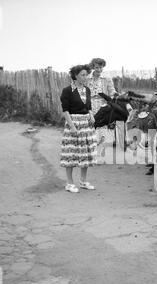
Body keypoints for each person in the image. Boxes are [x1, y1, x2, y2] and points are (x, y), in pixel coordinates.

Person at [60, 64, 97, 192]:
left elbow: (89, 106)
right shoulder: (67, 90)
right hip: (73, 124)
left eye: (86, 74)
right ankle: (69, 183)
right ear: (75, 76)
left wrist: (91, 115)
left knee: (85, 153)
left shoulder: (87, 90)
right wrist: (72, 127)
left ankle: (83, 181)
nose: (85, 77)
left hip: (86, 125)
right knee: (71, 153)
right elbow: (65, 111)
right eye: (83, 74)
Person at [87, 58, 126, 159]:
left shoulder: (107, 79)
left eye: (100, 67)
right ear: (93, 67)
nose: (99, 70)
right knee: (91, 128)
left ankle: (99, 153)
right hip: (90, 105)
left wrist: (116, 95)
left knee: (101, 130)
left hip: (102, 105)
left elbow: (112, 91)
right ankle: (92, 152)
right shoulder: (87, 78)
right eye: (96, 67)